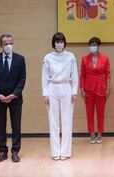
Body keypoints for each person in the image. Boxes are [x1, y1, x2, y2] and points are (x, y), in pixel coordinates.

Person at [0, 34, 26, 163]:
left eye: (11, 43)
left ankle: (15, 151)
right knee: (1, 126)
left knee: (16, 126)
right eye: (6, 44)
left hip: (15, 98)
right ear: (1, 45)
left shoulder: (20, 59)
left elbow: (22, 79)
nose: (9, 46)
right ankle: (2, 152)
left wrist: (14, 94)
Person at [42, 32, 78, 160]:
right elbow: (45, 77)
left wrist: (74, 91)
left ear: (64, 43)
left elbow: (74, 75)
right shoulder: (48, 57)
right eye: (57, 42)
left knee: (67, 120)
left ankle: (66, 151)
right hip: (52, 87)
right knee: (53, 121)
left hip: (66, 87)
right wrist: (44, 93)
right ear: (53, 43)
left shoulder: (70, 57)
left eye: (61, 41)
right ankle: (56, 152)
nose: (59, 44)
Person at [80, 37, 111, 144]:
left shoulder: (105, 58)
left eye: (94, 44)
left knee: (100, 112)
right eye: (90, 45)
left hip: (101, 88)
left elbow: (108, 75)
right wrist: (81, 89)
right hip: (88, 88)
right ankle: (92, 132)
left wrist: (108, 88)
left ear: (98, 46)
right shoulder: (84, 59)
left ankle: (100, 133)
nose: (92, 47)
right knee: (89, 112)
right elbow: (82, 75)